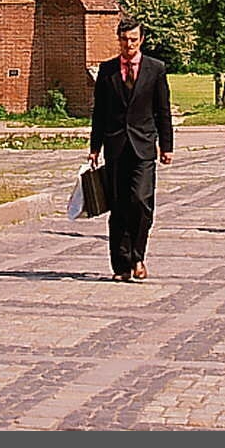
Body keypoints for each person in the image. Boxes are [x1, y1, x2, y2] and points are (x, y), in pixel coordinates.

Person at [89, 16, 174, 281]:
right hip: (116, 146)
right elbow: (99, 113)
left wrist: (166, 145)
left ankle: (138, 255)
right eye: (125, 40)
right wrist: (95, 147)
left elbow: (163, 111)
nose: (129, 44)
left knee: (140, 201)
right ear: (119, 40)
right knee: (118, 206)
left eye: (134, 39)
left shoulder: (155, 69)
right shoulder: (107, 71)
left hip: (144, 147)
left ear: (142, 40)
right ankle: (122, 265)